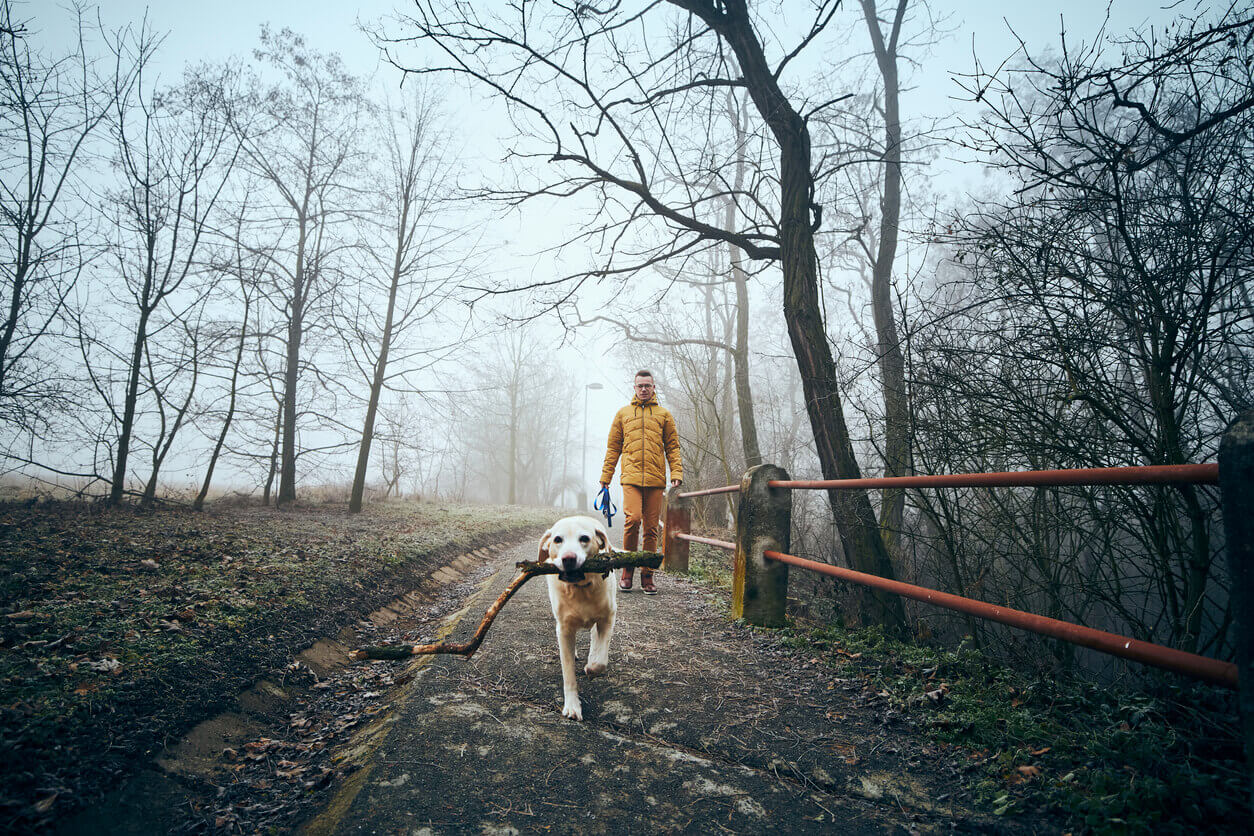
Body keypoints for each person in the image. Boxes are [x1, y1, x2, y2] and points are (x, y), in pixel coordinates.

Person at [599, 369, 683, 595]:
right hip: (631, 479)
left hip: (656, 480)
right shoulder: (623, 414)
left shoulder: (664, 415)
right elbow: (613, 448)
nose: (644, 389)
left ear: (654, 387)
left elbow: (672, 447)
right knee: (633, 519)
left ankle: (647, 576)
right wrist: (606, 477)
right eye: (640, 386)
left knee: (651, 529)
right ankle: (627, 571)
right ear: (634, 388)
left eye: (648, 385)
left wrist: (676, 471)